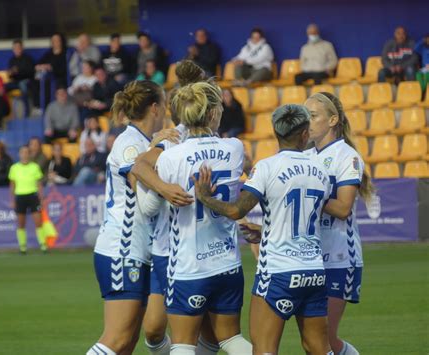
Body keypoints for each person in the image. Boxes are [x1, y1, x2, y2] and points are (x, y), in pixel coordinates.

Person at [193, 104, 332, 354]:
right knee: (318, 348)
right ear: (304, 134)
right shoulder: (322, 169)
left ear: (276, 133)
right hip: (314, 270)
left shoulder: (267, 167)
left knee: (264, 349)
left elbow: (237, 210)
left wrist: (205, 198)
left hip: (278, 272)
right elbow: (300, 218)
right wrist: (265, 230)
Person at [132, 60, 220, 355]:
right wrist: (164, 188)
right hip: (167, 248)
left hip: (205, 247)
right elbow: (140, 167)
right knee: (154, 329)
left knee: (207, 333)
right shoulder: (172, 137)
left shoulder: (219, 140)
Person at [86, 79, 172, 355]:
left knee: (127, 344)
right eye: (166, 104)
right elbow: (146, 202)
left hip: (138, 250)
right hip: (122, 250)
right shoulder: (130, 145)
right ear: (155, 108)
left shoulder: (145, 143)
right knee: (117, 340)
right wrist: (171, 190)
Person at [304, 92, 374, 355]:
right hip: (309, 258)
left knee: (324, 341)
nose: (306, 121)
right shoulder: (305, 155)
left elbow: (343, 208)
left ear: (332, 120)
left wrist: (308, 195)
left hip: (339, 258)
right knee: (315, 343)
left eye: (313, 116)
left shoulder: (347, 156)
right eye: (305, 116)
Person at [8, 145, 46, 253]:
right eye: (22, 152)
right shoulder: (14, 168)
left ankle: (43, 245)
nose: (24, 154)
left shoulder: (35, 167)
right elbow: (12, 185)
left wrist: (41, 198)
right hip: (20, 196)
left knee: (38, 221)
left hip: (33, 196)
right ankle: (22, 246)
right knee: (21, 223)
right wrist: (12, 200)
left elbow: (39, 184)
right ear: (19, 154)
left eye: (26, 152)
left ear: (29, 154)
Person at [34, 32, 68, 108]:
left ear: (61, 41)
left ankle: (48, 107)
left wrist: (51, 68)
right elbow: (37, 65)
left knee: (50, 84)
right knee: (35, 81)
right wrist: (42, 66)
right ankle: (38, 106)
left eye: (57, 40)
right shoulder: (48, 53)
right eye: (53, 40)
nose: (55, 42)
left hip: (60, 78)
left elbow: (63, 70)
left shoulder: (65, 54)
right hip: (46, 77)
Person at [6, 39, 35, 116]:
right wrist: (11, 73)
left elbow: (30, 72)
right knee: (3, 87)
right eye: (15, 48)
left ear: (22, 48)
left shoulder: (28, 59)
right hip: (15, 81)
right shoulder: (12, 60)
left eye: (18, 47)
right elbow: (10, 75)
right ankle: (7, 112)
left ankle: (27, 111)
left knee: (22, 84)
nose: (17, 49)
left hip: (26, 81)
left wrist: (18, 71)